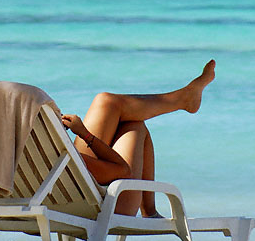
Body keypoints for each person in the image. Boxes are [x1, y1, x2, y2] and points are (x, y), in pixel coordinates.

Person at [61, 60, 216, 217]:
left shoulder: (44, 156)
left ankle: (149, 211)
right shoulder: (59, 161)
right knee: (133, 123)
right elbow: (122, 170)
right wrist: (84, 134)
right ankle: (149, 211)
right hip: (102, 205)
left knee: (112, 106)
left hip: (69, 190)